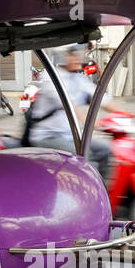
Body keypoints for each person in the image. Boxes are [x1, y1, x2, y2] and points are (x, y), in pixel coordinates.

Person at [24, 45, 113, 176]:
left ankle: (106, 193)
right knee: (86, 161)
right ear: (62, 56)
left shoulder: (78, 78)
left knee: (105, 150)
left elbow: (100, 97)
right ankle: (89, 194)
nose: (78, 58)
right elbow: (68, 103)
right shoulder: (51, 77)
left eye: (79, 54)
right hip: (48, 136)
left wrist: (124, 114)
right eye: (73, 54)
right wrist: (90, 123)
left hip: (69, 136)